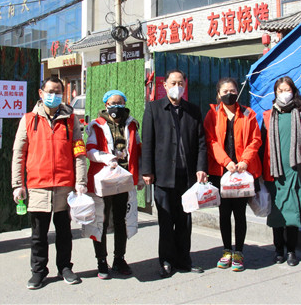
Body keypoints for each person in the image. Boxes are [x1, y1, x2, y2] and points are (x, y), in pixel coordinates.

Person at [12, 77, 87, 289]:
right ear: (41, 93)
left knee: (64, 232)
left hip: (65, 185)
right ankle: (38, 271)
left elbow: (79, 152)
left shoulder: (71, 120)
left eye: (58, 92)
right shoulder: (29, 120)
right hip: (38, 185)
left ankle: (65, 268)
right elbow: (19, 152)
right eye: (50, 91)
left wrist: (80, 181)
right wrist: (18, 184)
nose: (54, 95)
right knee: (38, 235)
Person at [141, 69, 208, 278]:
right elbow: (147, 142)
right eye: (173, 83)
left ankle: (184, 260)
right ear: (165, 85)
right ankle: (166, 261)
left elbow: (201, 143)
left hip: (186, 177)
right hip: (163, 176)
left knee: (185, 221)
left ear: (185, 85)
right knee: (166, 221)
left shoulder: (193, 110)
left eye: (180, 83)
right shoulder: (154, 109)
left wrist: (201, 167)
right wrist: (147, 170)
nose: (177, 86)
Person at [204, 77, 262, 272]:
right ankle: (226, 250)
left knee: (240, 213)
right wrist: (226, 161)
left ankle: (239, 252)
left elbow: (255, 140)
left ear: (238, 92)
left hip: (242, 172)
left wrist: (245, 160)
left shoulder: (248, 113)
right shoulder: (212, 113)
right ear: (218, 94)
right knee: (224, 213)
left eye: (233, 91)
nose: (229, 94)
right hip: (221, 172)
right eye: (225, 91)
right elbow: (210, 141)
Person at [261, 76, 301, 267]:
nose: (284, 94)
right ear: (275, 93)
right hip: (274, 172)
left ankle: (292, 251)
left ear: (293, 91)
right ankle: (278, 251)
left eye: (287, 90)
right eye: (280, 91)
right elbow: (262, 144)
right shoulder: (268, 116)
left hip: (296, 170)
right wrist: (258, 172)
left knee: (293, 214)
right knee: (277, 214)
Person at [86, 90, 142, 279]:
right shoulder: (97, 125)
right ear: (106, 105)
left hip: (124, 180)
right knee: (100, 221)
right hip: (103, 180)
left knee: (121, 220)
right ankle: (101, 260)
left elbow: (137, 150)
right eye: (112, 103)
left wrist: (139, 176)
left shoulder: (132, 124)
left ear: (124, 104)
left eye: (120, 103)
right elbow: (89, 150)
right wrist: (106, 158)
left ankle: (119, 258)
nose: (116, 107)